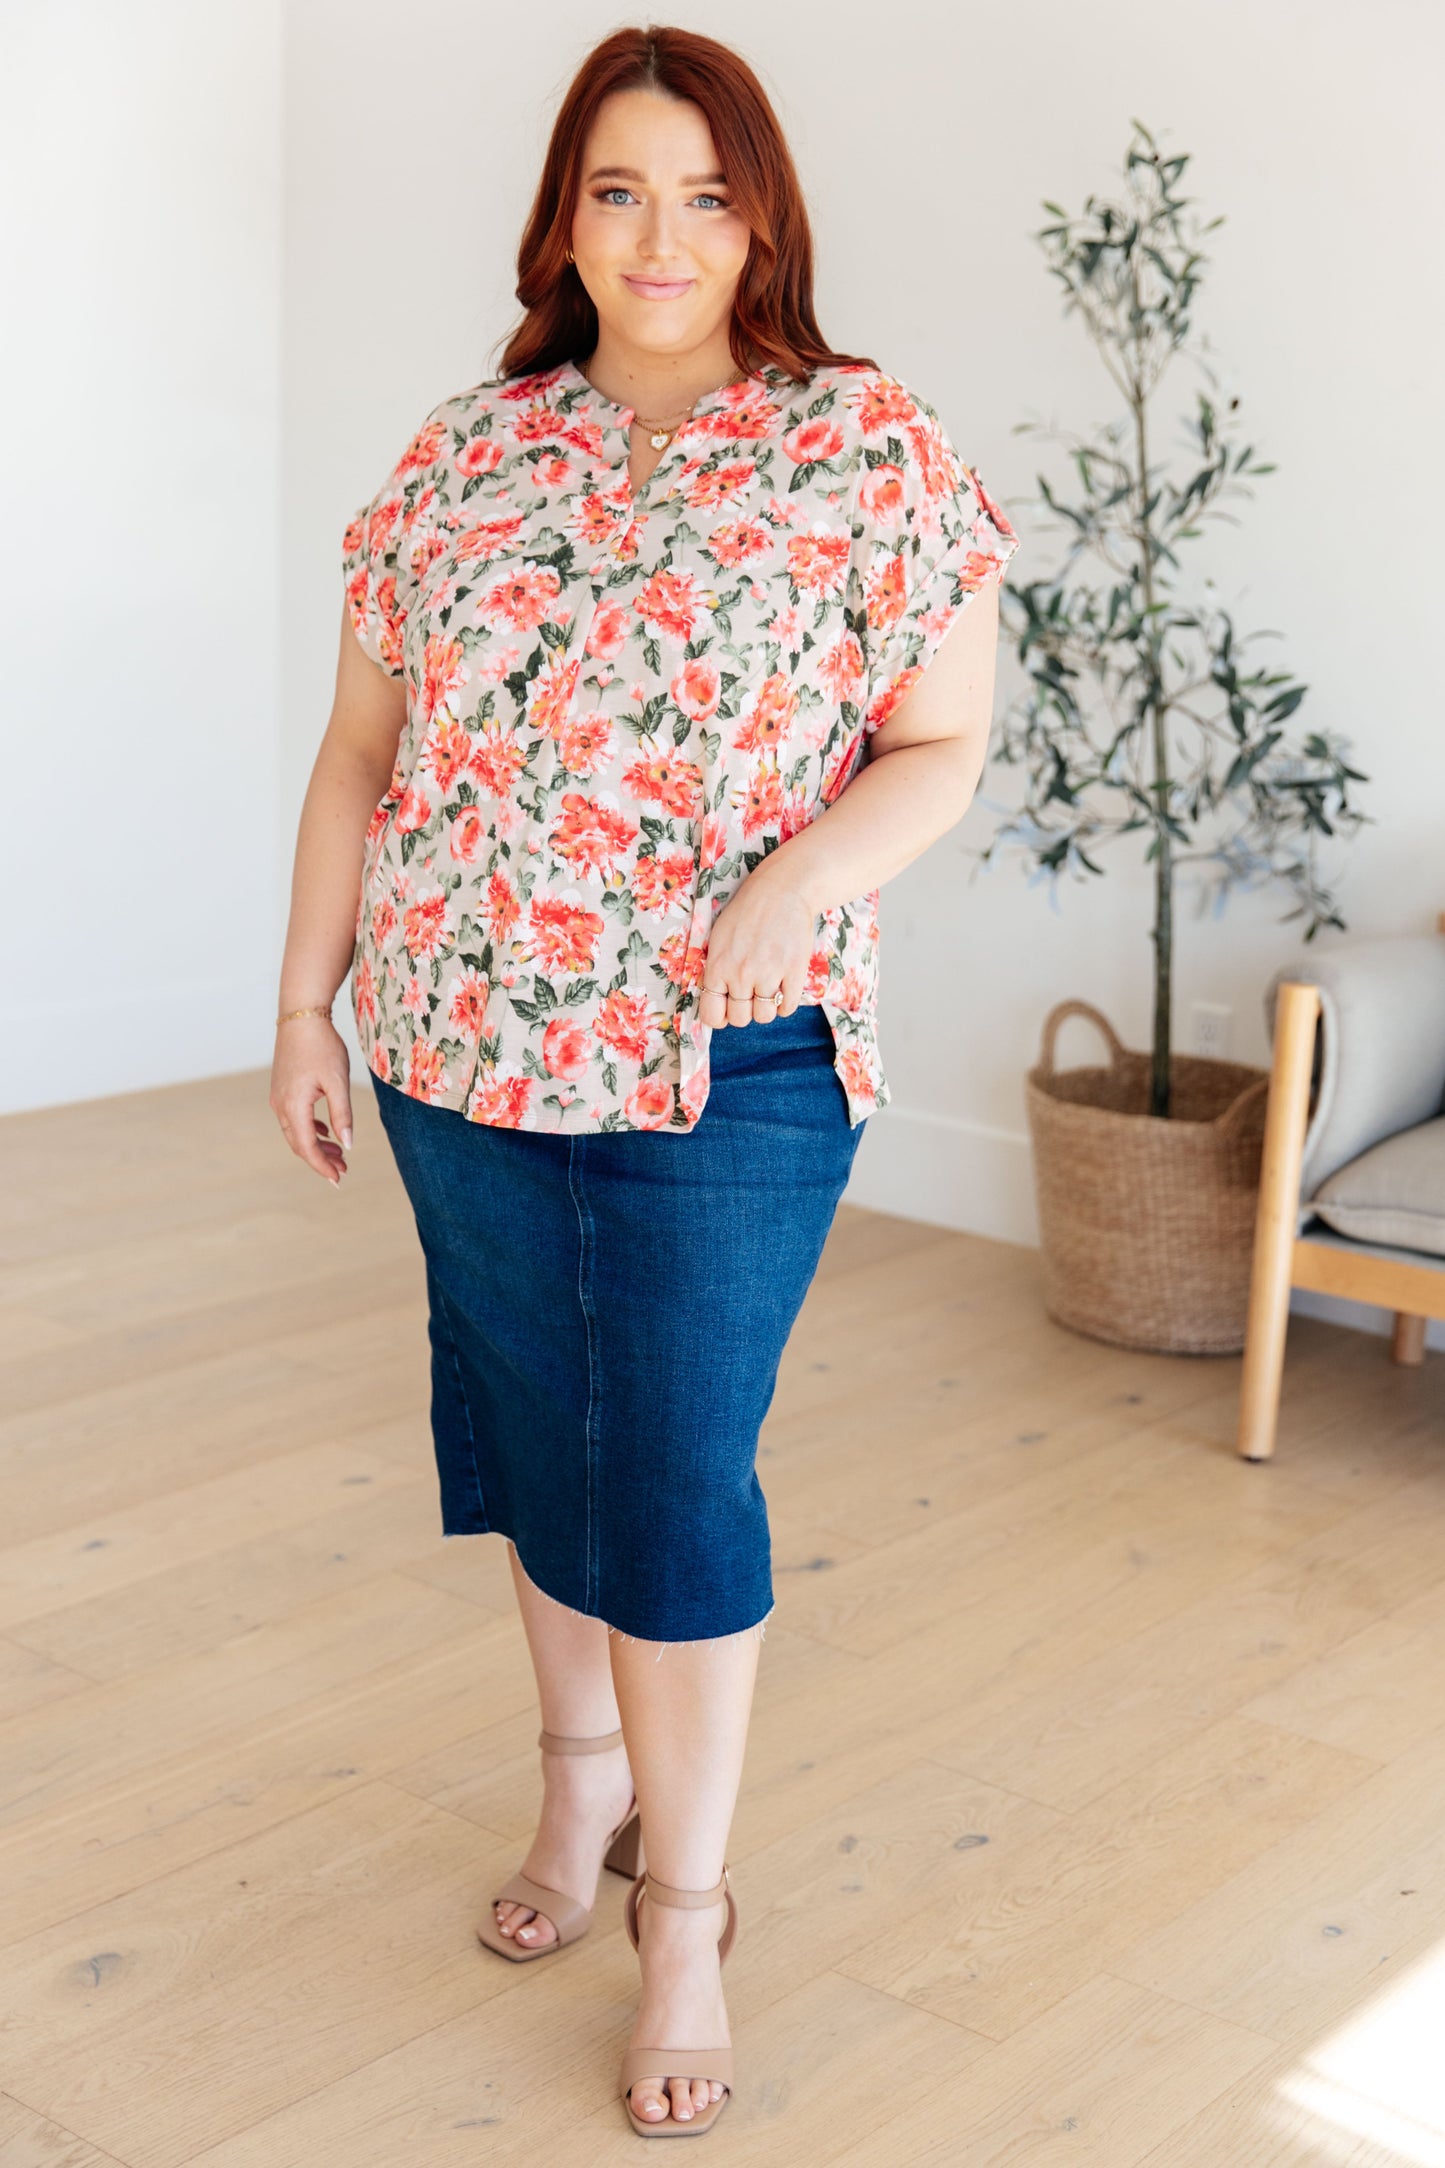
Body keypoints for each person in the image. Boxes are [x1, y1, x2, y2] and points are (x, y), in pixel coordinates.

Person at [270, 20, 1020, 2138]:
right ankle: (576, 1782)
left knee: (676, 1473)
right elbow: (358, 756)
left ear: (762, 213)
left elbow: (944, 746)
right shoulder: (460, 456)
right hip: (456, 1044)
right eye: (619, 189)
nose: (662, 232)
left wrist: (806, 870)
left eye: (704, 191)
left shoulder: (869, 449)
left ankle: (683, 1905)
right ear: (563, 221)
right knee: (534, 1422)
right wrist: (301, 1003)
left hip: (735, 1067)